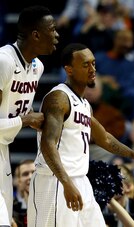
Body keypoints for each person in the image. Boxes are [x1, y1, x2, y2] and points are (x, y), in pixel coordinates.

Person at [27, 43, 134, 227]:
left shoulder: (84, 104)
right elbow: (48, 144)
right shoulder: (58, 98)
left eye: (94, 63)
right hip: (56, 180)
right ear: (69, 69)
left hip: (80, 180)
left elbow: (103, 138)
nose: (92, 69)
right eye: (85, 65)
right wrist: (66, 183)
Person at [0, 6, 59, 226]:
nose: (56, 35)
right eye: (52, 29)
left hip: (2, 148)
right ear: (36, 34)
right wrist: (26, 120)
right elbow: (23, 117)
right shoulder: (4, 61)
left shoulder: (38, 67)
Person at [12, 160, 35, 227]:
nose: (30, 177)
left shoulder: (53, 204)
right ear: (18, 181)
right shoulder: (9, 210)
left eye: (34, 173)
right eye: (25, 174)